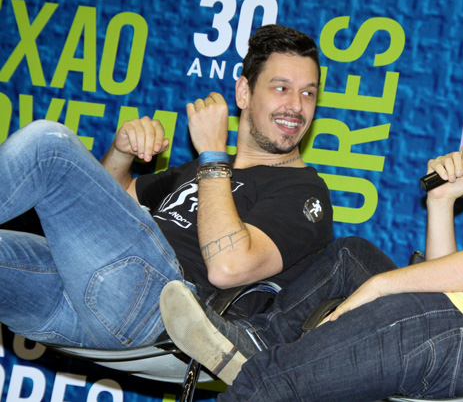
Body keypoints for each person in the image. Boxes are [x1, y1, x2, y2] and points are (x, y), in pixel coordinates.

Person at [159, 40, 463, 401]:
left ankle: (256, 354)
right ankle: (250, 337)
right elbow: (454, 280)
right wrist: (443, 203)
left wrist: (383, 287)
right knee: (351, 256)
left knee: (268, 382)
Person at [0, 24, 333, 349]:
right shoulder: (198, 169)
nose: (296, 106)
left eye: (308, 93)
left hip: (165, 305)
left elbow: (228, 268)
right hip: (84, 298)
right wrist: (121, 153)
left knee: (48, 144)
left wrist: (212, 155)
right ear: (244, 92)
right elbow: (102, 213)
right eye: (281, 87)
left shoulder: (305, 192)